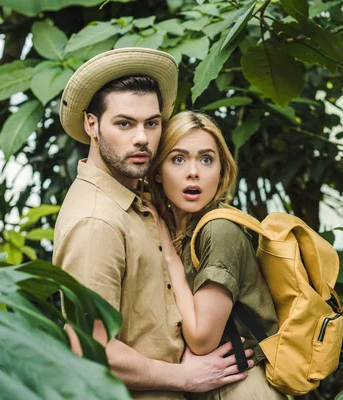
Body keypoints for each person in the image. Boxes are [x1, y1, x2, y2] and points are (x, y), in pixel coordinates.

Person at [53, 48, 253, 399]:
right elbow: (91, 349)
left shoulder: (137, 203)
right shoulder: (97, 222)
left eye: (152, 122)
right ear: (91, 124)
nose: (142, 138)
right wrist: (184, 377)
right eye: (124, 123)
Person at [147, 111, 287, 400]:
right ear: (158, 172)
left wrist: (171, 259)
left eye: (206, 159)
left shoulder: (220, 229)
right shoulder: (185, 231)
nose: (193, 171)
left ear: (222, 172)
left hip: (242, 388)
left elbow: (201, 339)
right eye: (178, 158)